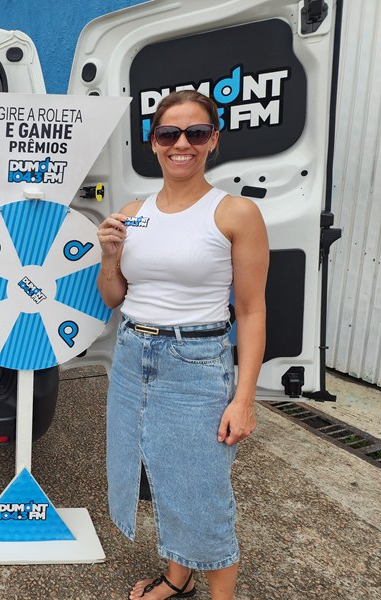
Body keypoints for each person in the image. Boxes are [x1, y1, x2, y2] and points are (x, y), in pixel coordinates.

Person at [96, 90, 268, 600]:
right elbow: (114, 297)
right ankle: (178, 578)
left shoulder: (235, 213)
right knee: (160, 477)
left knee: (201, 490)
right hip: (132, 356)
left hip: (195, 363)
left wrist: (244, 398)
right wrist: (109, 257)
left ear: (213, 140)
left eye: (196, 133)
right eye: (169, 134)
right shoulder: (133, 213)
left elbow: (252, 311)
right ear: (154, 143)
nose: (182, 144)